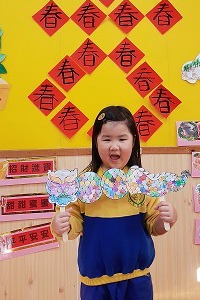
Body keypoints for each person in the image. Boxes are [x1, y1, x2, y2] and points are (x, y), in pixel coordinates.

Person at [51, 105, 178, 300]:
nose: (114, 146)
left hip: (137, 279)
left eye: (122, 139)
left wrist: (167, 219)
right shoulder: (85, 183)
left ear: (133, 141)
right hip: (95, 283)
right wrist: (61, 226)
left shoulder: (142, 183)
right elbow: (73, 221)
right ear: (96, 142)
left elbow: (155, 226)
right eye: (107, 139)